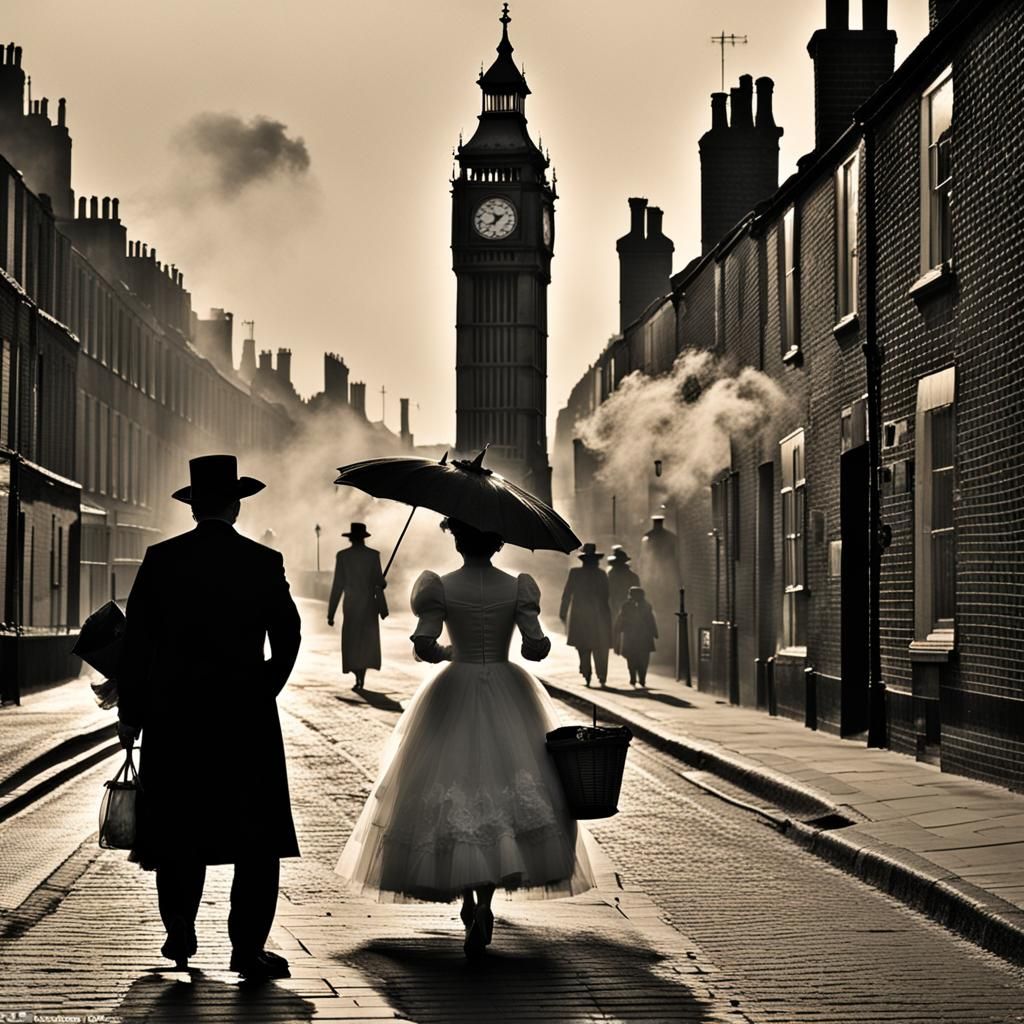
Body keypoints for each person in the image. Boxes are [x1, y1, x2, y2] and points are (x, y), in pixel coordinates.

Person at [336, 517, 594, 958]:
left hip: (453, 687)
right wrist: (533, 643)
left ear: (457, 542)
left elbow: (424, 643)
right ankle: (486, 902)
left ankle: (470, 902)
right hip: (508, 688)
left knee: (453, 783)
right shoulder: (518, 587)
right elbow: (535, 647)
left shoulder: (439, 586)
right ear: (497, 544)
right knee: (504, 791)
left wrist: (447, 651)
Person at [116, 454, 302, 980]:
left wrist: (132, 712)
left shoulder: (162, 559)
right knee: (255, 836)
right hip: (245, 718)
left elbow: (137, 644)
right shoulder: (262, 561)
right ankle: (247, 948)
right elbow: (288, 636)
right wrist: (264, 687)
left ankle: (179, 924)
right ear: (236, 506)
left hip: (174, 717)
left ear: (194, 508)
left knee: (179, 823)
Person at [327, 522, 388, 691]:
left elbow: (338, 585)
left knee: (352, 642)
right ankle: (362, 676)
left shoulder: (343, 556)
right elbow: (380, 582)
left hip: (351, 606)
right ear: (363, 538)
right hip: (369, 606)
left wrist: (331, 613)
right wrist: (382, 582)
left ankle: (357, 675)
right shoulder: (373, 556)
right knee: (366, 642)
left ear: (351, 539)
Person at [559, 543, 612, 687]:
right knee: (600, 646)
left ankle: (586, 672)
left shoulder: (575, 573)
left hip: (580, 616)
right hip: (598, 615)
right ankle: (601, 675)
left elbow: (567, 595)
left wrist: (563, 612)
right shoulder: (601, 574)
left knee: (583, 646)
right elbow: (607, 596)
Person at [637, 515, 681, 657]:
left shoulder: (647, 538)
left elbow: (643, 560)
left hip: (654, 577)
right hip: (666, 576)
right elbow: (676, 558)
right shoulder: (671, 538)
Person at [613, 586, 658, 687]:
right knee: (643, 659)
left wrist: (618, 629)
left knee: (631, 658)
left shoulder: (626, 606)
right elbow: (651, 620)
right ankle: (641, 678)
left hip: (631, 637)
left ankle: (633, 677)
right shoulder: (646, 606)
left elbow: (621, 619)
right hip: (644, 637)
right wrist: (654, 633)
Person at [606, 547, 640, 653]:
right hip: (622, 604)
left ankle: (619, 645)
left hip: (619, 604)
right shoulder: (632, 576)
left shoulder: (611, 575)